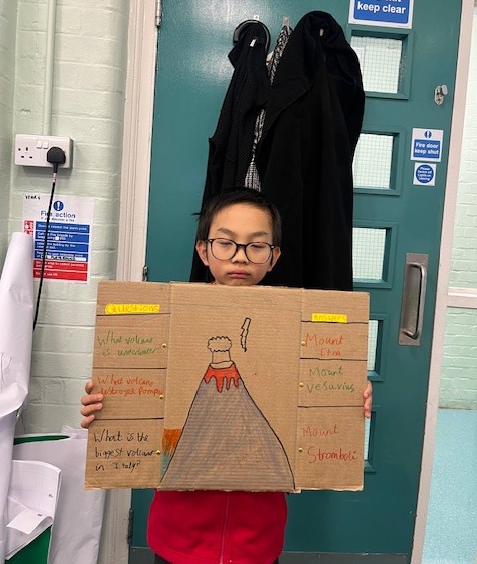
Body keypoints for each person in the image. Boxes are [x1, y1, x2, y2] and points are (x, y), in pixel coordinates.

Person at [81, 187, 373, 564]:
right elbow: (140, 398)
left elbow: (317, 395)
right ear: (203, 251)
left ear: (274, 257)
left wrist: (345, 398)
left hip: (257, 539)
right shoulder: (172, 322)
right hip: (178, 535)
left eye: (257, 245)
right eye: (226, 243)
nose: (240, 256)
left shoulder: (291, 328)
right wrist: (106, 407)